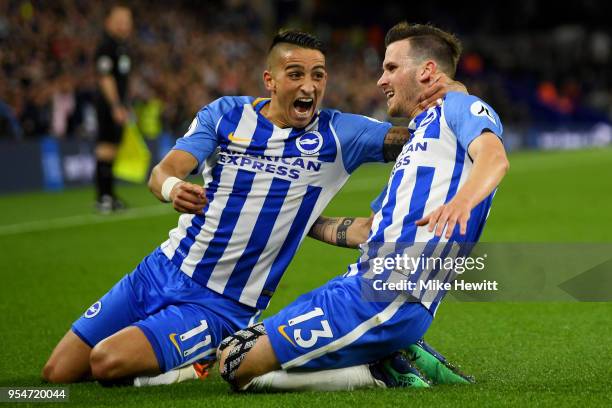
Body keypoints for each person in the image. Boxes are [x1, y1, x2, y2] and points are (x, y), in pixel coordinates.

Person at [42, 30, 459, 385]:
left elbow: (413, 136)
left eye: (318, 76)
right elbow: (163, 172)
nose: (309, 87)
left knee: (106, 361)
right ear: (270, 80)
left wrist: (454, 98)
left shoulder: (339, 133)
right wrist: (173, 189)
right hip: (160, 269)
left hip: (221, 305)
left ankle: (198, 360)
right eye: (295, 75)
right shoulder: (226, 115)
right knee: (57, 374)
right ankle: (184, 354)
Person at [217, 22, 510, 392]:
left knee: (235, 365)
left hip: (385, 296)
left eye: (390, 68)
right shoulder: (423, 135)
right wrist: (298, 219)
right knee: (234, 345)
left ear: (427, 71)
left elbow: (494, 158)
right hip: (358, 286)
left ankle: (375, 372)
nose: (380, 80)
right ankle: (394, 353)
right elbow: (370, 230)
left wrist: (461, 202)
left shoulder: (460, 106)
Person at [94, 5, 133, 213]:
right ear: (108, 22)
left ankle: (109, 195)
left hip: (119, 106)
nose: (125, 24)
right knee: (105, 149)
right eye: (120, 19)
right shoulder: (106, 46)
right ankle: (103, 197)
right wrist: (116, 106)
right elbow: (105, 78)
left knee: (113, 150)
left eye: (127, 20)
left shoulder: (121, 47)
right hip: (108, 106)